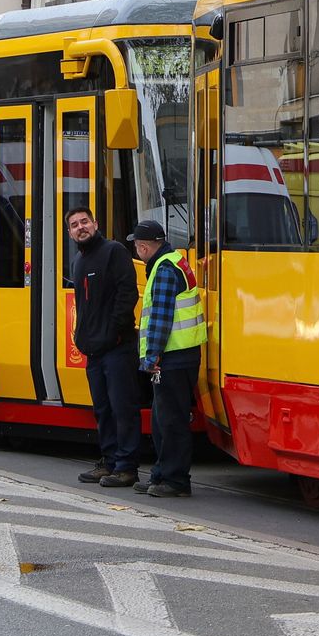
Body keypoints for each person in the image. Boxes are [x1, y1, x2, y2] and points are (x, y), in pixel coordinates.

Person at [66, 205, 141, 489]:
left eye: (84, 221)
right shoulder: (78, 261)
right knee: (102, 409)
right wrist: (82, 338)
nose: (81, 227)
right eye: (75, 225)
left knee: (123, 408)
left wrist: (114, 333)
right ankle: (110, 461)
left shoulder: (114, 251)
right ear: (70, 233)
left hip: (117, 348)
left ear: (95, 224)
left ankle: (126, 467)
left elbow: (127, 293)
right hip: (94, 351)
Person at [133, 220, 205, 499]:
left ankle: (176, 480)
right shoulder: (174, 260)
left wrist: (151, 356)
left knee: (171, 422)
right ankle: (161, 473)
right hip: (180, 355)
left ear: (143, 247)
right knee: (162, 419)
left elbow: (161, 318)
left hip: (172, 357)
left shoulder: (164, 269)